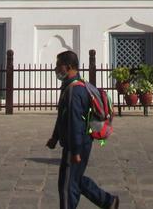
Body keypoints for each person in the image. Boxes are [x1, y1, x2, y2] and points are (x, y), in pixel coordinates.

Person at [47, 50, 119, 209]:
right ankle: (108, 201)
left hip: (77, 144)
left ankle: (107, 201)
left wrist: (76, 151)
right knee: (75, 179)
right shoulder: (74, 85)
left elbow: (75, 123)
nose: (56, 69)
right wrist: (55, 137)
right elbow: (63, 117)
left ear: (69, 66)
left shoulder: (75, 90)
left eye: (59, 65)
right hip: (81, 141)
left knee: (67, 185)